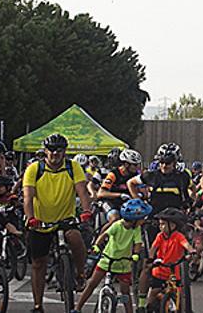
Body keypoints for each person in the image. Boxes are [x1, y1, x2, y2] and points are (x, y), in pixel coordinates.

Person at [25, 133, 93, 313]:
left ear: (64, 152)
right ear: (45, 151)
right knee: (39, 262)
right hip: (41, 221)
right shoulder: (34, 168)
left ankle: (80, 273)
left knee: (76, 238)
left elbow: (83, 192)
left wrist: (86, 211)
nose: (55, 154)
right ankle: (38, 305)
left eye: (59, 150)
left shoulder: (73, 167)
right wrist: (31, 218)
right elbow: (28, 197)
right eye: (51, 150)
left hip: (65, 218)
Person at [74, 198, 151, 313]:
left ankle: (129, 311)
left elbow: (138, 243)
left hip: (124, 263)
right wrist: (96, 245)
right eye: (142, 218)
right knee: (92, 284)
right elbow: (104, 235)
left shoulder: (136, 229)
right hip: (107, 259)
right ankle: (77, 308)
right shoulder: (117, 225)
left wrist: (135, 254)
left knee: (125, 291)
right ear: (134, 219)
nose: (143, 220)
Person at [145, 208, 193, 312]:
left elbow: (186, 244)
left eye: (163, 224)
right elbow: (153, 248)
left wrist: (191, 251)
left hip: (174, 271)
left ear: (172, 226)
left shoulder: (178, 236)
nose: (160, 227)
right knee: (153, 293)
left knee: (180, 295)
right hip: (160, 270)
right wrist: (150, 259)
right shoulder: (160, 236)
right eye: (160, 224)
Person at [95, 149, 141, 222]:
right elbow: (101, 193)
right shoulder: (113, 174)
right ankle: (103, 233)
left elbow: (142, 189)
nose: (137, 167)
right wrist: (120, 195)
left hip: (126, 203)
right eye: (135, 165)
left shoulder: (135, 175)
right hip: (110, 202)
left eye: (138, 164)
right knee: (115, 218)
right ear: (126, 164)